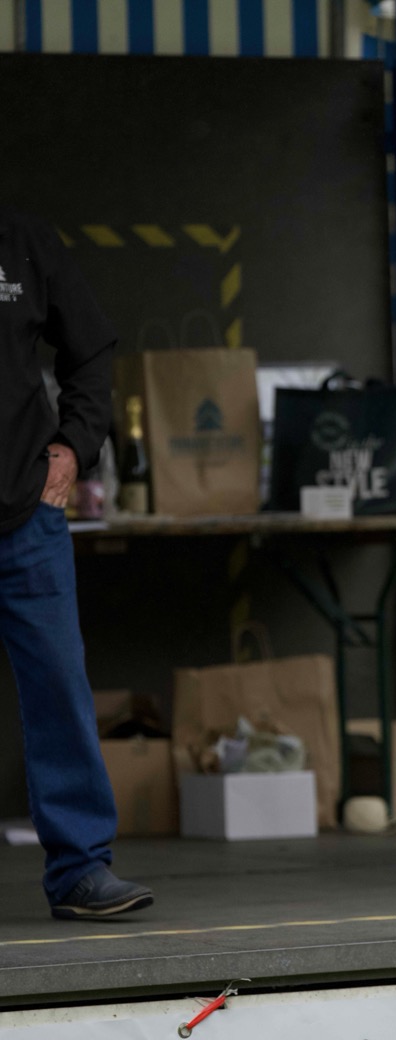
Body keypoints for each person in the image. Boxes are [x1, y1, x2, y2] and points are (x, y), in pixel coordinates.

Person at [0, 205, 153, 919]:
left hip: (26, 517)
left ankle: (80, 871)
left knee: (59, 689)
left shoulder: (22, 239)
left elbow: (91, 347)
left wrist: (74, 445)